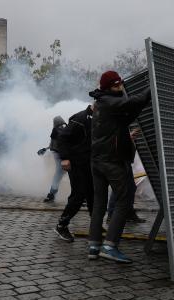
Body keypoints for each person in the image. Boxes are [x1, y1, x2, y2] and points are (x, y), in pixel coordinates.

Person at [87, 71, 151, 263]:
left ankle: (94, 245)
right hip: (112, 161)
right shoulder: (108, 101)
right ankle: (110, 245)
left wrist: (143, 103)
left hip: (98, 161)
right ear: (108, 88)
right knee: (124, 199)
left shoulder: (101, 103)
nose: (121, 88)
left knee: (99, 204)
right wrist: (152, 88)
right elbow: (129, 104)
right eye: (117, 86)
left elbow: (125, 117)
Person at [53, 105, 94, 242]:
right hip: (76, 163)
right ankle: (62, 225)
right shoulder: (80, 118)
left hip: (90, 163)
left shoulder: (101, 118)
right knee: (79, 194)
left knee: (93, 194)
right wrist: (64, 158)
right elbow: (62, 138)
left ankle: (96, 225)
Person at [106, 128, 146, 223]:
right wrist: (128, 137)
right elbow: (110, 140)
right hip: (118, 160)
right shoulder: (113, 123)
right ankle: (111, 215)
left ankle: (128, 213)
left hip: (125, 160)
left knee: (131, 187)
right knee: (118, 188)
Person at [41, 116, 67, 203]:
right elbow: (53, 143)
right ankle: (52, 194)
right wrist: (46, 148)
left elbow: (53, 144)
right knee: (60, 176)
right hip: (62, 156)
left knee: (58, 176)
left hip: (60, 156)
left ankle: (52, 194)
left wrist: (47, 148)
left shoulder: (56, 131)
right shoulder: (63, 130)